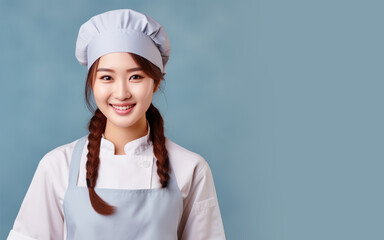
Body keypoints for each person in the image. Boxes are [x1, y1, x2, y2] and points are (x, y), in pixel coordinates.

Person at [7, 9, 226, 240]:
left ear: (156, 81)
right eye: (107, 77)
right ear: (92, 82)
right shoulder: (57, 167)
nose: (121, 93)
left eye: (135, 77)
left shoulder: (191, 169)